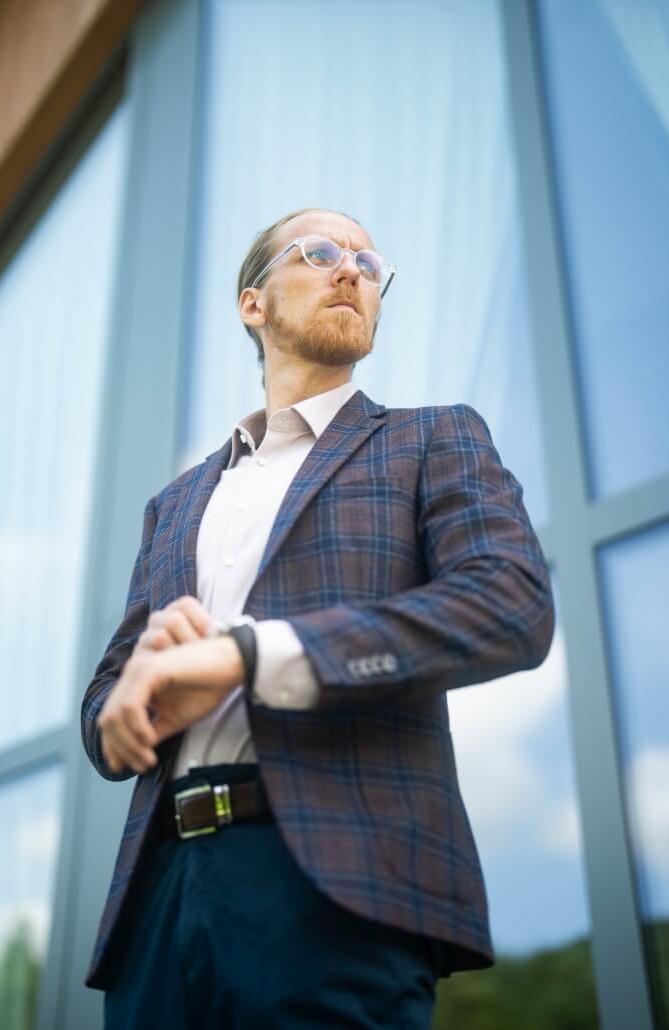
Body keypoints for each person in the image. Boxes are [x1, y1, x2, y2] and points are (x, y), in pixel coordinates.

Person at [81, 207, 555, 1028]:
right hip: (157, 904)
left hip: (340, 888)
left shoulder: (432, 438)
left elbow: (510, 605)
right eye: (323, 252)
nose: (353, 271)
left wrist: (247, 656)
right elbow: (104, 699)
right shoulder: (176, 503)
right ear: (252, 305)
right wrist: (130, 711)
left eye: (370, 265)